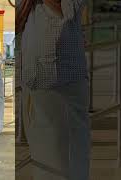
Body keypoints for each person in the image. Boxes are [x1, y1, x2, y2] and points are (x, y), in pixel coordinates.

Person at [17, 0, 90, 180]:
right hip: (33, 81)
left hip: (63, 83)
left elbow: (67, 11)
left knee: (66, 163)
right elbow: (17, 22)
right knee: (44, 164)